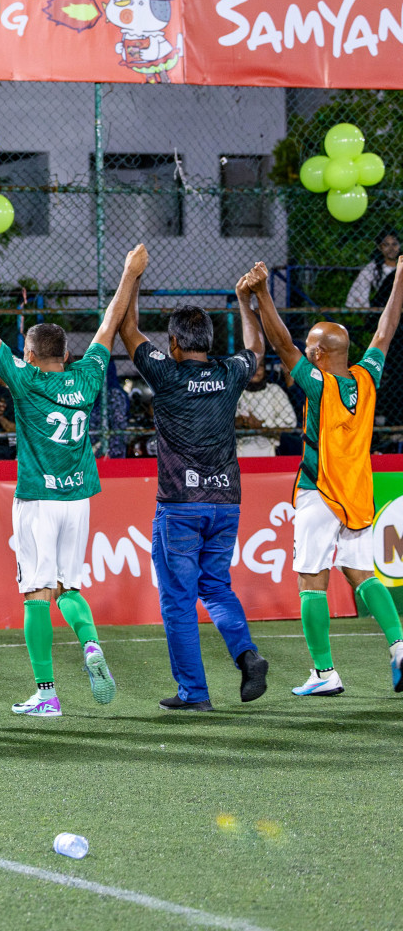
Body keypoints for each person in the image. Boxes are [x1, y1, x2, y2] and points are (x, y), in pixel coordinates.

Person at [117, 250, 271, 711]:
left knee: (179, 601)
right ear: (207, 340)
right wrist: (245, 301)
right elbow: (256, 352)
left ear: (176, 345)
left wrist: (135, 279)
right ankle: (247, 655)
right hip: (226, 502)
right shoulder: (228, 373)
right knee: (216, 586)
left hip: (180, 506)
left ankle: (195, 693)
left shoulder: (166, 373)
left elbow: (128, 331)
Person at [249, 260, 403, 697]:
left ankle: (324, 673)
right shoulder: (367, 376)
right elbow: (385, 331)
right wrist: (401, 281)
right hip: (357, 495)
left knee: (311, 582)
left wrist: (262, 294)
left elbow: (280, 342)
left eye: (309, 345)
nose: (305, 348)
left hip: (319, 493)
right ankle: (400, 647)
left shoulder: (319, 384)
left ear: (317, 355)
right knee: (362, 573)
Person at [1, 248, 143, 718]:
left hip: (38, 501)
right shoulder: (86, 376)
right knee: (70, 587)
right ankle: (90, 645)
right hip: (78, 500)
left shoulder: (24, 380)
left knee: (36, 594)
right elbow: (108, 324)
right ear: (65, 354)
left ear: (29, 353)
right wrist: (128, 274)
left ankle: (46, 692)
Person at [235, 355, 297, 457]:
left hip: (270, 445)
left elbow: (291, 421)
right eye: (251, 366)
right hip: (240, 445)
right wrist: (239, 422)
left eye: (260, 366)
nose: (255, 370)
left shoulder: (274, 390)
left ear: (265, 369)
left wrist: (262, 425)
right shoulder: (235, 392)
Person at [346, 229, 399, 309]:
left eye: (394, 244)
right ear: (379, 247)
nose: (391, 248)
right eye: (386, 245)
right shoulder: (372, 268)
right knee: (392, 279)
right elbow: (357, 293)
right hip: (385, 306)